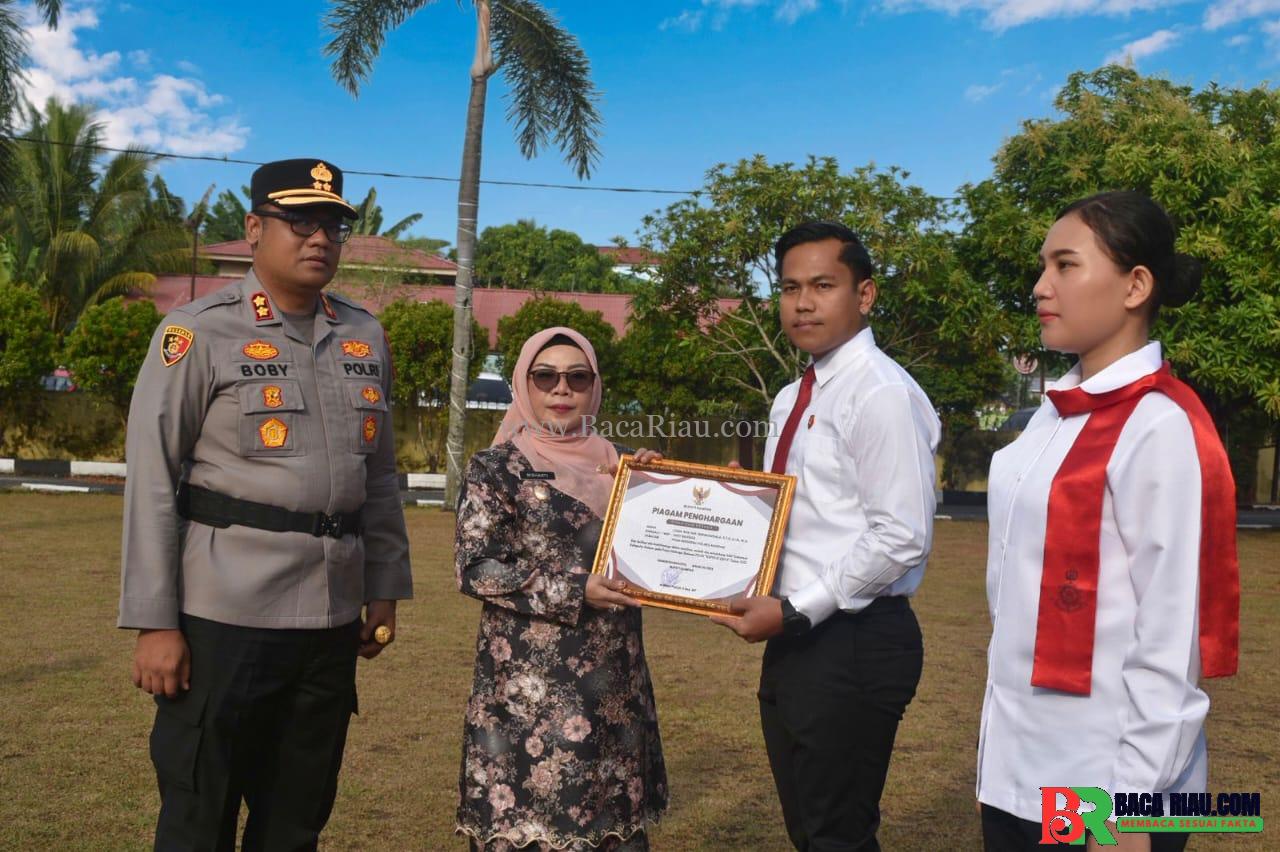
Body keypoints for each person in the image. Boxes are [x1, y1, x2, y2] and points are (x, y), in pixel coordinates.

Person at [118, 158, 413, 850]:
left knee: (295, 820)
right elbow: (153, 475)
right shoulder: (199, 331)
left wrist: (384, 587)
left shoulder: (364, 335)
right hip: (225, 617)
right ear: (254, 228)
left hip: (330, 620)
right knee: (199, 817)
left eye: (334, 225)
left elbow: (379, 475)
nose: (320, 238)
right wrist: (154, 623)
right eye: (300, 221)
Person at [977, 191, 1240, 852]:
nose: (1041, 286)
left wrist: (1128, 808)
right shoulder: (1053, 414)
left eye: (1066, 265)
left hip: (1105, 780)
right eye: (1043, 266)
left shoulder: (1159, 425)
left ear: (1135, 286)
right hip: (1014, 765)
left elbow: (1170, 637)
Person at [712, 222, 941, 851]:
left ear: (864, 295)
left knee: (837, 834)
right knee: (811, 830)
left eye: (822, 285)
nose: (803, 303)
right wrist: (725, 499)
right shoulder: (793, 397)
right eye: (790, 288)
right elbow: (803, 511)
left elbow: (901, 537)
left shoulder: (880, 392)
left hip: (853, 638)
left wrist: (794, 611)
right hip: (800, 637)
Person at [453, 326, 668, 851]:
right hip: (527, 686)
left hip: (612, 682)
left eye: (577, 376)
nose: (561, 388)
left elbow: (663, 555)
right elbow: (476, 567)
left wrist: (665, 490)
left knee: (608, 825)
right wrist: (574, 589)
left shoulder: (625, 466)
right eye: (545, 376)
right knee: (529, 824)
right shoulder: (497, 468)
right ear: (523, 385)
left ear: (595, 386)